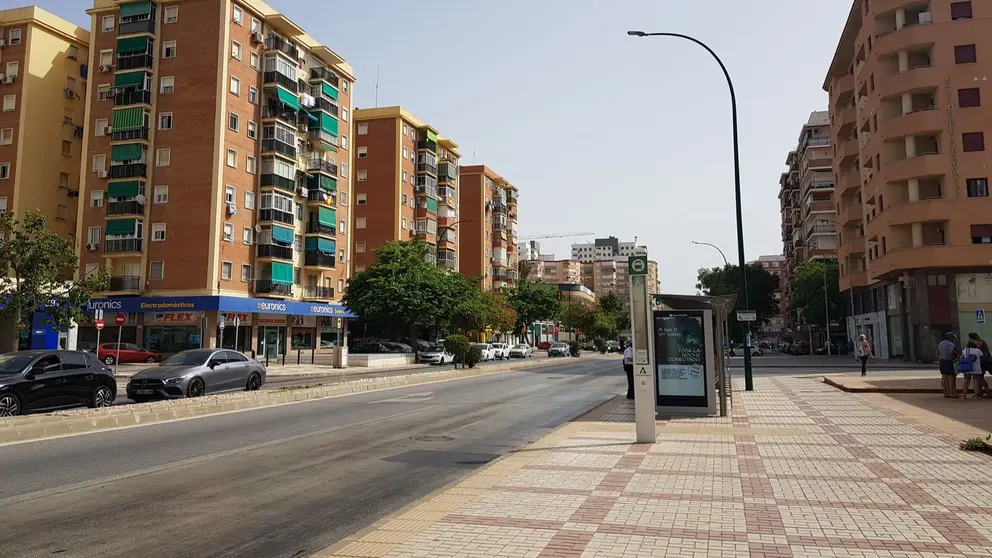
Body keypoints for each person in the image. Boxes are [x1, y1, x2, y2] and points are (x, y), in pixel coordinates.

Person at [937, 332, 959, 398]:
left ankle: (945, 393)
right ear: (951, 338)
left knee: (943, 377)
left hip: (942, 361)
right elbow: (951, 353)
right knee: (950, 378)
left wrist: (940, 358)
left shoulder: (941, 343)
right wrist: (953, 359)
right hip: (948, 361)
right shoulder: (951, 344)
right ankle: (952, 393)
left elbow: (937, 353)